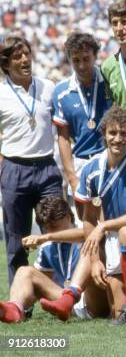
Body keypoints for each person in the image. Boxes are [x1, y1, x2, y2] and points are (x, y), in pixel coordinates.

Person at [40, 107, 126, 324]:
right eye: (113, 133)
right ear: (104, 134)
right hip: (112, 236)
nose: (118, 139)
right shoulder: (91, 168)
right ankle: (69, 297)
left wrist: (104, 226)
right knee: (115, 312)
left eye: (125, 134)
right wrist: (97, 259)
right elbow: (88, 219)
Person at [0, 36, 63, 285]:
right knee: (16, 238)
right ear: (6, 64)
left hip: (47, 167)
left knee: (57, 230)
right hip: (15, 168)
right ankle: (20, 299)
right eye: (17, 56)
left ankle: (61, 293)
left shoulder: (48, 87)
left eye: (26, 53)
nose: (25, 59)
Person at [0, 197, 100, 322]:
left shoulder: (85, 232)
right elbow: (39, 284)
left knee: (90, 247)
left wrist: (46, 237)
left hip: (94, 300)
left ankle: (70, 297)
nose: (50, 231)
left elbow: (90, 234)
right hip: (66, 302)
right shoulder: (48, 246)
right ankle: (14, 309)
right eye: (47, 227)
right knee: (25, 271)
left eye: (54, 225)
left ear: (68, 218)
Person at [52, 32, 112, 217]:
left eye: (86, 59)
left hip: (110, 160)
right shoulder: (61, 92)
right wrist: (71, 176)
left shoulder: (110, 82)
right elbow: (63, 137)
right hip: (81, 164)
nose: (82, 65)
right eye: (76, 60)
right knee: (85, 224)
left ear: (95, 55)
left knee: (112, 221)